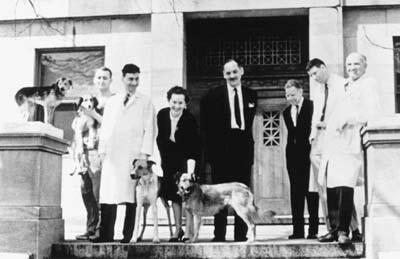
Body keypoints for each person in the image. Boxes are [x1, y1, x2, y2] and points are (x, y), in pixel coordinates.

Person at [318, 52, 380, 244]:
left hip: (352, 140)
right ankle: (335, 228)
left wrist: (348, 119)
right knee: (332, 185)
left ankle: (344, 230)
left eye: (356, 64)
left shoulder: (368, 84)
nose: (352, 67)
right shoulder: (344, 85)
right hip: (335, 141)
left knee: (345, 185)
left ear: (365, 65)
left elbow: (372, 111)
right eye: (349, 64)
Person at [91, 63, 156, 243]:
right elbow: (105, 129)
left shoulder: (146, 101)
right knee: (109, 194)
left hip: (133, 156)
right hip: (112, 154)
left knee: (132, 196)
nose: (134, 83)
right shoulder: (113, 101)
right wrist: (101, 151)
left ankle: (129, 235)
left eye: (136, 79)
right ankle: (105, 234)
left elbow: (150, 129)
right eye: (130, 79)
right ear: (123, 79)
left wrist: (144, 155)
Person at [200, 59, 257, 242]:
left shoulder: (251, 95)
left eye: (234, 72)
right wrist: (210, 155)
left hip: (242, 151)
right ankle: (219, 235)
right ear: (224, 75)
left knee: (240, 196)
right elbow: (206, 129)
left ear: (241, 71)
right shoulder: (212, 96)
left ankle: (241, 235)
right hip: (221, 152)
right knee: (219, 196)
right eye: (228, 73)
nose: (232, 76)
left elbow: (248, 126)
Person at [306, 58, 346, 240]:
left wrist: (330, 125)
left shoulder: (341, 84)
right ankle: (332, 227)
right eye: (311, 75)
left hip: (337, 138)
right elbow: (316, 114)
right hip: (319, 141)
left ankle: (350, 227)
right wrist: (313, 136)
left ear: (323, 67)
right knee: (323, 186)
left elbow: (344, 112)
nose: (314, 78)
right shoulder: (318, 90)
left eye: (315, 73)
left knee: (341, 185)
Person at [156, 86, 201, 242]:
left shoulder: (189, 119)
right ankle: (177, 230)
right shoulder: (161, 115)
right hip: (168, 159)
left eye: (180, 103)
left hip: (185, 159)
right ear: (169, 101)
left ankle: (188, 231)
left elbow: (193, 147)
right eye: (174, 102)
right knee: (174, 195)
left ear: (185, 104)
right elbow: (158, 138)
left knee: (187, 196)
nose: (176, 106)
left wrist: (190, 172)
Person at [75, 67, 114, 241]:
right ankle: (89, 228)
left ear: (110, 80)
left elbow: (112, 125)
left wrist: (93, 114)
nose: (101, 80)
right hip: (85, 150)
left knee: (99, 192)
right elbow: (77, 125)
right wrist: (77, 149)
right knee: (86, 191)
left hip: (101, 150)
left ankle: (100, 230)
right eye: (98, 77)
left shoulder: (114, 100)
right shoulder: (87, 99)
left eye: (105, 78)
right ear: (94, 79)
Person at [282, 79, 319, 239]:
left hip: (310, 154)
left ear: (300, 92)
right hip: (293, 157)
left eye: (293, 94)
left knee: (311, 193)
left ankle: (313, 230)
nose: (291, 98)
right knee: (296, 193)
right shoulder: (285, 112)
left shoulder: (312, 106)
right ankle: (298, 230)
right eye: (288, 95)